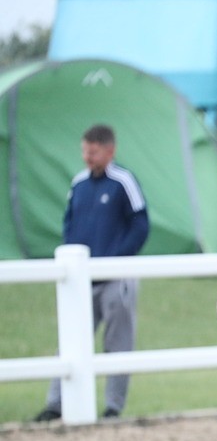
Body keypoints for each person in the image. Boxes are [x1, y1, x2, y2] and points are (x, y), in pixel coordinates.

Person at [34, 124, 149, 421]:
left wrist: (116, 260)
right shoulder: (79, 183)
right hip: (81, 282)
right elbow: (69, 223)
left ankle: (113, 406)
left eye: (93, 151)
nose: (87, 156)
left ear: (109, 151)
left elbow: (140, 225)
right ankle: (56, 404)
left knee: (118, 344)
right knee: (70, 340)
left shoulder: (123, 181)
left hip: (115, 280)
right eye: (85, 150)